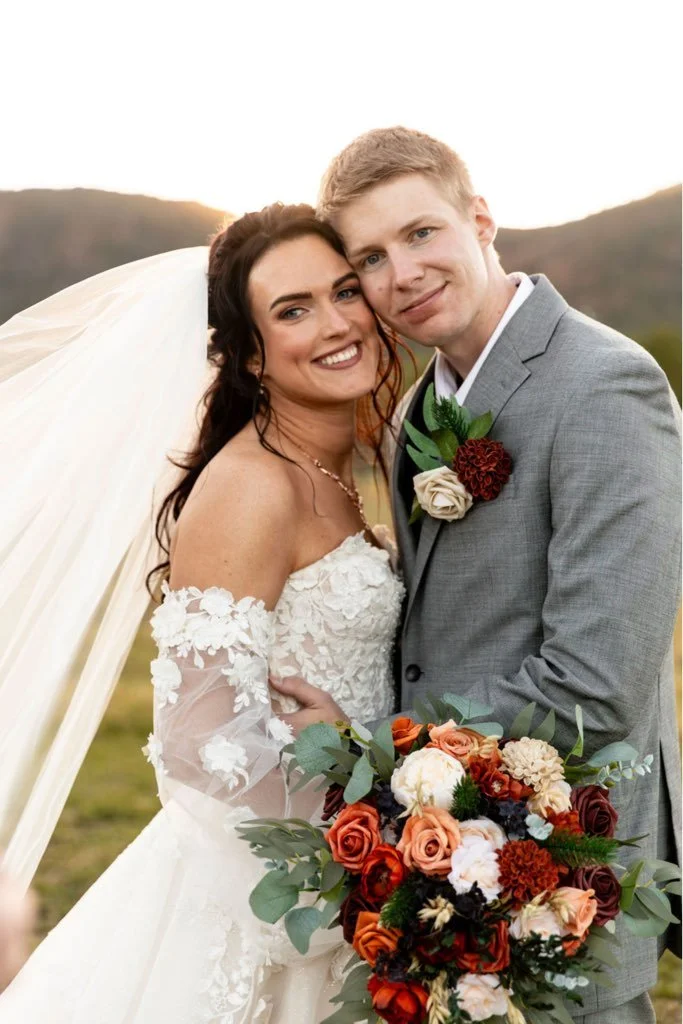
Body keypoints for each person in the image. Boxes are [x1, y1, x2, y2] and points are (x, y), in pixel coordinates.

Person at [311, 126, 682, 1023]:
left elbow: (597, 683)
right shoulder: (413, 412)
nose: (401, 272)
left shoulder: (603, 387)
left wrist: (373, 748)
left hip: (567, 875)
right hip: (438, 874)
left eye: (420, 233)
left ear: (479, 219)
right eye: (369, 256)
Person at [0, 204, 406, 1022]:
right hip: (280, 896)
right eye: (293, 310)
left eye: (342, 292)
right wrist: (359, 821)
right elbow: (196, 737)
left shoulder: (344, 461)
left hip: (356, 880)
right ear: (250, 353)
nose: (335, 324)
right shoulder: (252, 484)